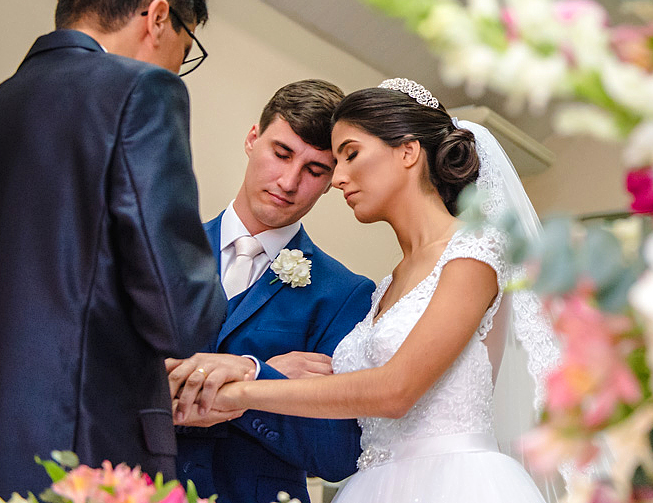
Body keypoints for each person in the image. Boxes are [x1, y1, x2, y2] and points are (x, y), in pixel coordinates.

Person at [188, 78, 560, 502]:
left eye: (347, 157)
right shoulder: (390, 283)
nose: (338, 179)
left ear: (407, 151)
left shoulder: (476, 249)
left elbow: (394, 389)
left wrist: (245, 378)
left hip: (452, 483)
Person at [0, 0, 228, 496]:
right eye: (186, 49)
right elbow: (178, 314)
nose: (178, 65)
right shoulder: (142, 89)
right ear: (159, 17)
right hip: (83, 451)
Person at [169, 79, 376, 503]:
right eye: (281, 154)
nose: (287, 181)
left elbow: (338, 455)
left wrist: (254, 378)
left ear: (332, 179)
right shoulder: (158, 250)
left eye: (314, 170)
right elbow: (107, 389)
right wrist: (270, 379)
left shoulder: (345, 294)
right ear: (252, 138)